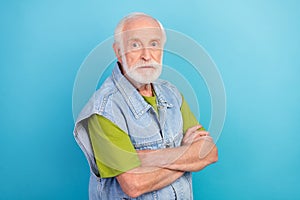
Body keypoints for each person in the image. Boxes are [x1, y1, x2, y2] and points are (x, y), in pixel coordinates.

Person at [73, 12, 218, 200]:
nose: (147, 56)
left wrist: (149, 157)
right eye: (135, 45)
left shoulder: (171, 94)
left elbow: (209, 153)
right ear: (118, 52)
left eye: (154, 44)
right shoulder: (104, 110)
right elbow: (134, 185)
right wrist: (187, 155)